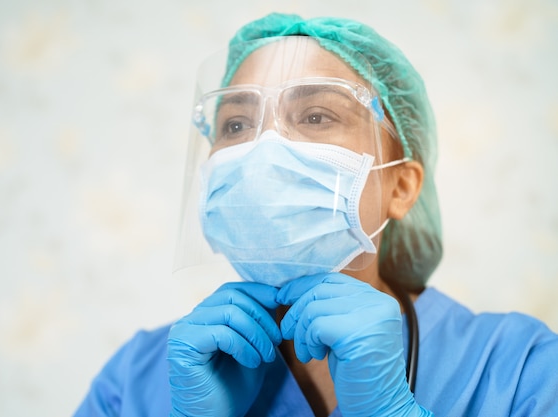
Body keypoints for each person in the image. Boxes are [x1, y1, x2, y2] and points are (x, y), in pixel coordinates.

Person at [73, 13, 558, 417]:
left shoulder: (519, 368)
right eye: (236, 124)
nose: (263, 148)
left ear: (401, 185)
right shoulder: (136, 379)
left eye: (315, 116)